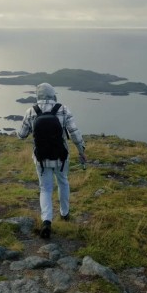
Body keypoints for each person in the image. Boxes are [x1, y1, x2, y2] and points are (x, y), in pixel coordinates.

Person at [17, 83, 86, 239]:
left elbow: (21, 135)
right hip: (61, 156)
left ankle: (46, 221)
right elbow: (74, 133)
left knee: (45, 188)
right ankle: (65, 214)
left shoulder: (31, 111)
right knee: (63, 182)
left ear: (38, 95)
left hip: (41, 158)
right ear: (53, 94)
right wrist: (81, 152)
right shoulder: (63, 109)